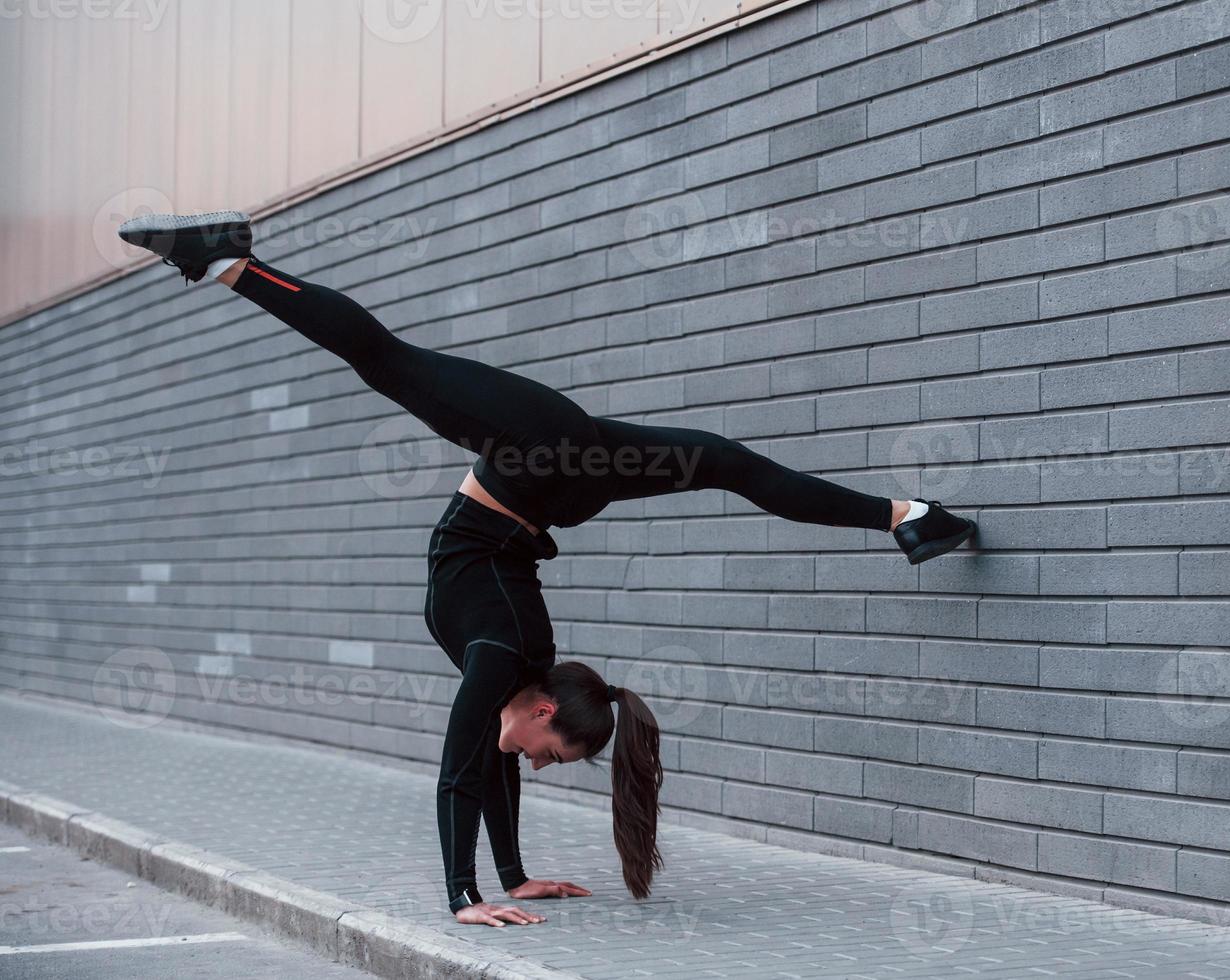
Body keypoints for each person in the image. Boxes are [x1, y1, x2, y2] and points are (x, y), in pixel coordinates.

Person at [117, 211, 978, 927]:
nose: (535, 764)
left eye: (547, 764)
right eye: (551, 753)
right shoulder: (500, 650)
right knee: (383, 359)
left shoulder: (517, 664)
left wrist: (513, 876)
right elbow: (463, 768)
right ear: (540, 707)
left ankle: (911, 517)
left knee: (730, 466)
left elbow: (485, 757)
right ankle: (226, 260)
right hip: (542, 456)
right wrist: (463, 898)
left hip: (572, 476)